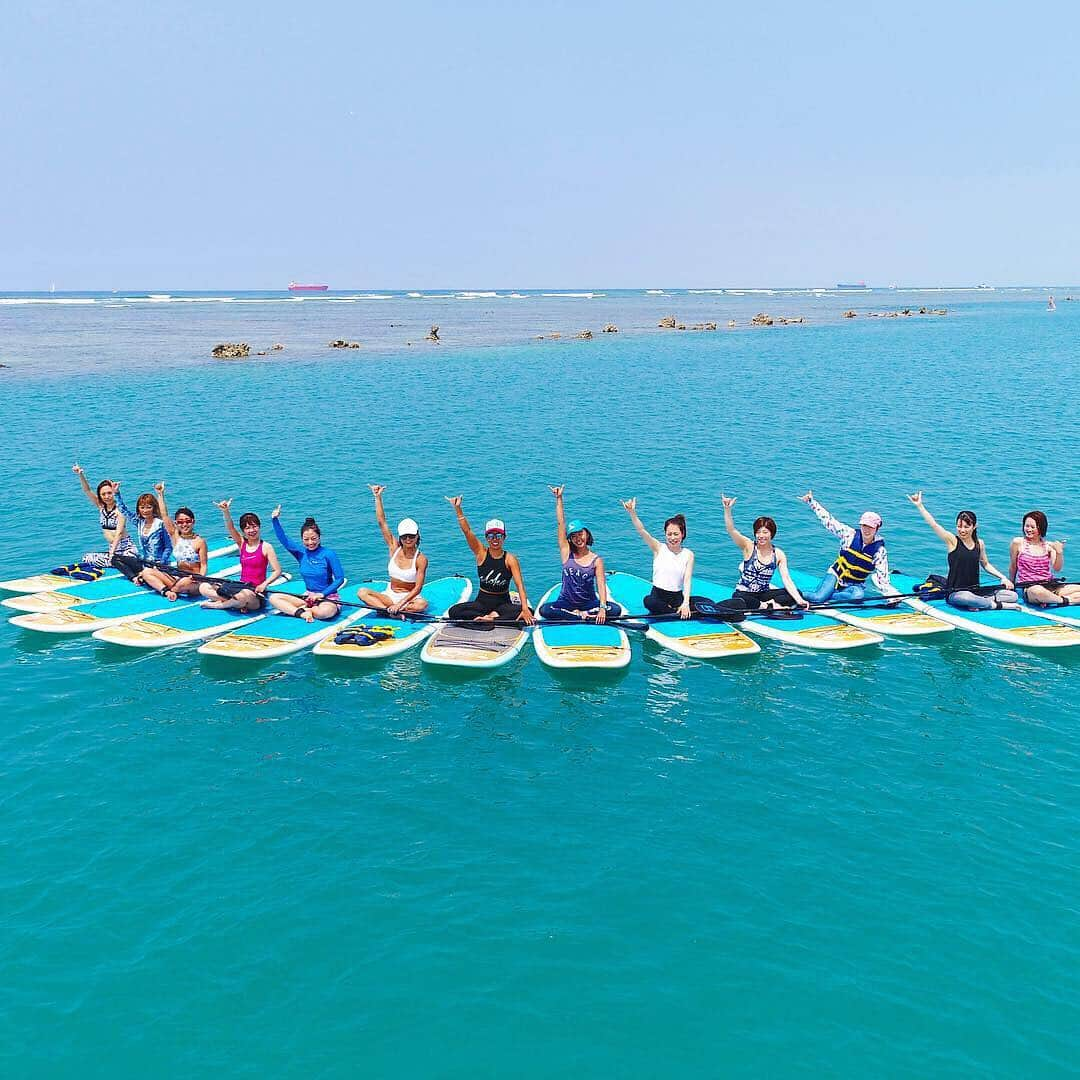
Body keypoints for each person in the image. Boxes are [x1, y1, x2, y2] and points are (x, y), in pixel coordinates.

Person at [906, 492, 1018, 610]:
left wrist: (1003, 577)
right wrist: (920, 506)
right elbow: (934, 525)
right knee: (966, 598)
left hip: (975, 591)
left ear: (974, 526)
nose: (962, 530)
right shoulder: (952, 541)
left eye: (966, 527)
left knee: (1012, 595)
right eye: (959, 526)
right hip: (955, 593)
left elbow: (985, 564)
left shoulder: (979, 543)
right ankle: (996, 605)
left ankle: (979, 603)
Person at [444, 496, 534, 624]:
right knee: (453, 611)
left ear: (504, 537)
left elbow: (520, 585)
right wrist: (458, 509)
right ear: (486, 538)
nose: (495, 539)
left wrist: (525, 609)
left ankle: (491, 618)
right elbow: (467, 531)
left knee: (530, 611)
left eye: (498, 536)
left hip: (502, 604)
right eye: (491, 536)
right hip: (481, 603)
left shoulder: (510, 559)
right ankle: (482, 618)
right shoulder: (481, 553)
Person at [799, 490, 896, 604]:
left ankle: (831, 595)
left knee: (858, 597)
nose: (866, 530)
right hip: (836, 575)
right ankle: (793, 594)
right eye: (864, 526)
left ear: (877, 528)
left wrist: (891, 597)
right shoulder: (849, 535)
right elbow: (829, 521)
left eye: (870, 527)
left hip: (854, 585)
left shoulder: (879, 551)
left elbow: (882, 578)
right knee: (818, 598)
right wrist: (812, 502)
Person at [539, 486, 618, 623]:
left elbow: (601, 585)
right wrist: (559, 499)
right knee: (544, 610)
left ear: (586, 534)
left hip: (589, 603)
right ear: (570, 539)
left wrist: (603, 608)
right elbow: (560, 523)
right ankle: (580, 616)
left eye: (580, 534)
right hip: (565, 602)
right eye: (574, 536)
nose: (578, 538)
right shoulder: (566, 553)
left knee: (615, 609)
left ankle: (582, 614)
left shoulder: (596, 560)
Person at [620, 498, 707, 619]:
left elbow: (687, 581)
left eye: (676, 534)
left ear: (682, 534)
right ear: (665, 534)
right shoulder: (658, 548)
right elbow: (641, 530)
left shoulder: (688, 554)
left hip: (677, 598)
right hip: (657, 597)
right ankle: (674, 613)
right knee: (648, 601)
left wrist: (685, 603)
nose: (672, 537)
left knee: (705, 601)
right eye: (669, 534)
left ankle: (676, 611)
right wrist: (632, 512)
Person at [720, 495, 808, 610]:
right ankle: (767, 606)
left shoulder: (778, 554)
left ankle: (767, 605)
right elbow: (731, 530)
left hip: (763, 594)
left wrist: (799, 600)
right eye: (758, 532)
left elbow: (786, 579)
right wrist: (727, 509)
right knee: (740, 598)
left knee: (797, 593)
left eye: (765, 532)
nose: (761, 536)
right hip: (745, 594)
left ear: (772, 534)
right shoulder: (749, 546)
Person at [199, 499, 284, 612]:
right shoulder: (242, 543)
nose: (252, 530)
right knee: (203, 587)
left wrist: (264, 584)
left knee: (244, 595)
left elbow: (277, 571)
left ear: (259, 527)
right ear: (243, 531)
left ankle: (218, 605)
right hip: (240, 587)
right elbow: (230, 528)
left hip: (255, 594)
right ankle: (235, 603)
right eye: (247, 528)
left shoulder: (266, 547)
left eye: (254, 526)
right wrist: (225, 512)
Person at [357, 485, 430, 614]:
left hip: (409, 599)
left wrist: (401, 603)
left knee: (422, 605)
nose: (408, 539)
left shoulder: (421, 559)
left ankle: (389, 610)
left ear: (417, 535)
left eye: (411, 536)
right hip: (390, 596)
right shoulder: (394, 548)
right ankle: (390, 612)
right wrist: (378, 497)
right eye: (404, 536)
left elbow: (418, 588)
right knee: (362, 592)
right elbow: (382, 522)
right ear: (400, 537)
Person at [268, 507, 345, 622]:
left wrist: (322, 595)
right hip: (308, 597)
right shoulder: (301, 553)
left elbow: (340, 579)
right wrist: (275, 519)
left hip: (328, 598)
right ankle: (302, 613)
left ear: (319, 537)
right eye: (306, 539)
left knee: (323, 613)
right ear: (302, 539)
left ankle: (305, 610)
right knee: (274, 598)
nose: (310, 543)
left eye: (313, 539)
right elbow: (284, 539)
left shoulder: (328, 554)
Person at [135, 483, 209, 600]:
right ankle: (166, 591)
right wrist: (160, 494)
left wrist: (200, 578)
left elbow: (204, 566)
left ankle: (170, 589)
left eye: (187, 521)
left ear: (193, 521)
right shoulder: (175, 536)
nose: (184, 524)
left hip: (193, 581)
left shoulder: (200, 542)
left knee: (184, 582)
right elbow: (164, 515)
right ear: (176, 523)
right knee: (147, 572)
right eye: (180, 522)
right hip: (177, 577)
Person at [69, 463, 138, 573]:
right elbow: (87, 490)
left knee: (118, 560)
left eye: (109, 493)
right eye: (103, 494)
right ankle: (116, 562)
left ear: (113, 493)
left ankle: (119, 562)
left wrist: (112, 553)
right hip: (113, 549)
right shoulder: (101, 507)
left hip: (126, 549)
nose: (106, 496)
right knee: (87, 558)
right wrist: (80, 474)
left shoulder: (120, 510)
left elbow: (119, 533)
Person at [1009, 510, 1079, 606]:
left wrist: (1059, 552)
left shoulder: (1049, 546)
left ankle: (1051, 599)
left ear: (1041, 528)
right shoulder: (1018, 542)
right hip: (1030, 588)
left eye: (1033, 527)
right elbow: (1013, 566)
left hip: (1050, 586)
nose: (1028, 529)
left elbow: (1057, 568)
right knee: (1038, 591)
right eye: (1026, 526)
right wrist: (1011, 583)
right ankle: (1065, 600)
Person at [113, 482, 173, 574]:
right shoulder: (139, 522)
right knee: (116, 559)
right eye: (142, 507)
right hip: (144, 563)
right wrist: (116, 493)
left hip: (159, 565)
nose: (145, 511)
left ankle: (142, 576)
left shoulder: (160, 524)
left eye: (148, 507)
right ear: (138, 509)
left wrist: (162, 563)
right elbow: (123, 510)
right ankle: (135, 577)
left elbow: (168, 547)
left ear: (154, 508)